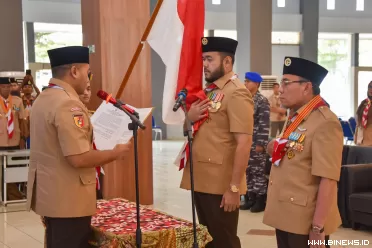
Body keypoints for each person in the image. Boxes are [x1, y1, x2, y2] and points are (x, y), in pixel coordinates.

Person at [26, 46, 132, 248]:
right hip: (69, 200)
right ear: (74, 71)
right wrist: (115, 153)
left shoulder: (44, 98)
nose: (88, 79)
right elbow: (78, 157)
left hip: (52, 196)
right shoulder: (67, 105)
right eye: (87, 73)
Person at [180, 37, 254, 248]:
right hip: (202, 180)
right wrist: (189, 118)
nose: (204, 64)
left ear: (227, 62)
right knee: (207, 240)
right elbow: (193, 131)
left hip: (221, 185)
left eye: (210, 59)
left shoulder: (237, 92)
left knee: (224, 240)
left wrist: (234, 188)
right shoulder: (210, 91)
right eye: (203, 59)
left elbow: (243, 143)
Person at [263, 57, 343, 248]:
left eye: (286, 83)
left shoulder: (325, 122)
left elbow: (328, 179)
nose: (280, 89)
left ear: (307, 87)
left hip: (304, 221)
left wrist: (317, 227)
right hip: (285, 213)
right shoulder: (296, 116)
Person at [240, 72, 270, 213]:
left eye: (248, 81)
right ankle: (249, 198)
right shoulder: (243, 99)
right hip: (244, 142)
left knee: (257, 171)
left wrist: (261, 144)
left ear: (256, 84)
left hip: (256, 141)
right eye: (245, 81)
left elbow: (264, 124)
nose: (245, 83)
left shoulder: (262, 101)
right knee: (246, 171)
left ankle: (260, 199)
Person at [0, 76, 28, 200]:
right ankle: (12, 195)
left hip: (15, 140)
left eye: (8, 87)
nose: (6, 89)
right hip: (1, 141)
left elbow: (22, 120)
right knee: (1, 170)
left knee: (14, 168)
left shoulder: (17, 101)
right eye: (3, 87)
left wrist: (23, 137)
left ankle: (12, 194)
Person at [78, 80, 104, 200]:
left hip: (95, 165)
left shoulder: (92, 115)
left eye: (88, 89)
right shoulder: (73, 114)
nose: (86, 93)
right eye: (82, 89)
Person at [21, 79, 40, 149]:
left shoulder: (35, 99)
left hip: (33, 125)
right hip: (24, 126)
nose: (27, 88)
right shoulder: (19, 99)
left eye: (29, 87)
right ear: (22, 90)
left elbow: (39, 93)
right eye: (25, 87)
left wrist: (33, 83)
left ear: (32, 90)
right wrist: (22, 82)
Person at [355, 81, 372, 145]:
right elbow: (357, 116)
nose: (371, 89)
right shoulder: (364, 102)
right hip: (360, 139)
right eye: (369, 87)